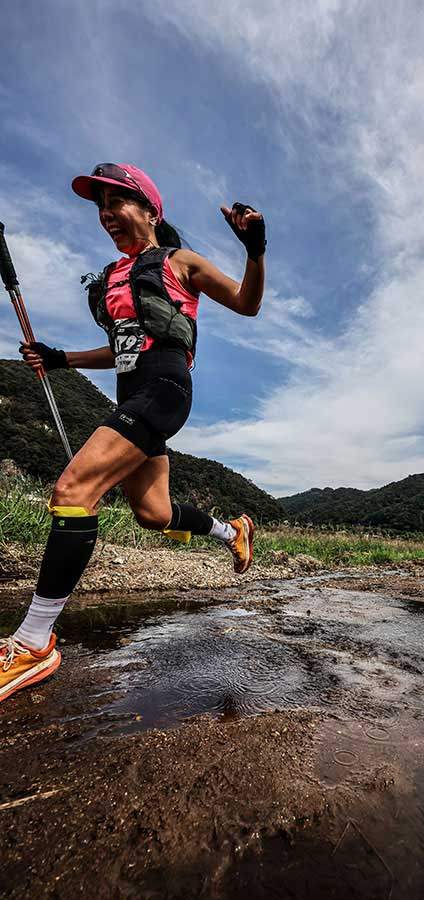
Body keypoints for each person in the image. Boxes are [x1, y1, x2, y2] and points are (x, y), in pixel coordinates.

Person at [0, 163, 266, 703]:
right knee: (153, 513)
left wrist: (255, 249)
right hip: (133, 394)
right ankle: (233, 530)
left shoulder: (179, 262)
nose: (106, 214)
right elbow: (122, 349)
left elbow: (247, 303)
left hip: (164, 390)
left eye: (116, 202)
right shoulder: (113, 277)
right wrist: (61, 358)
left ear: (149, 209)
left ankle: (32, 643)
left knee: (73, 490)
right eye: (100, 207)